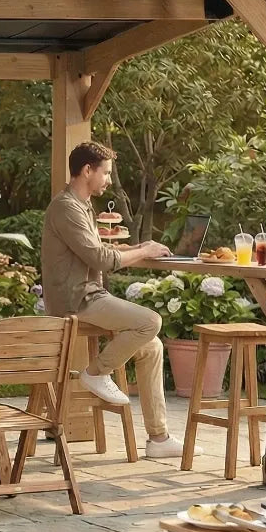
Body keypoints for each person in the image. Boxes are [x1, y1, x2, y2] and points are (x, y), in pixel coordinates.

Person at [41, 141, 200, 460]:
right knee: (151, 321)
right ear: (87, 170)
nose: (109, 180)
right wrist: (142, 252)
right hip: (76, 300)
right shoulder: (66, 208)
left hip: (88, 295)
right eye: (106, 173)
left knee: (152, 346)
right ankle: (96, 372)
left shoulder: (82, 205)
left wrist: (138, 247)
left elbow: (97, 253)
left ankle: (158, 438)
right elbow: (99, 259)